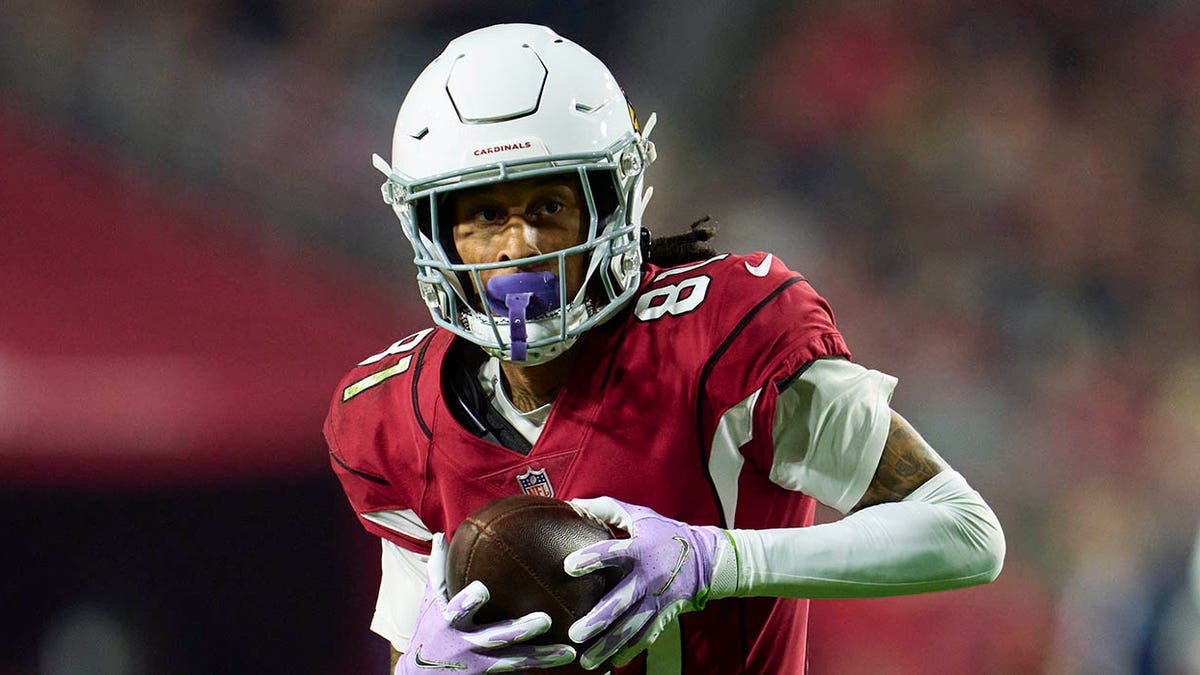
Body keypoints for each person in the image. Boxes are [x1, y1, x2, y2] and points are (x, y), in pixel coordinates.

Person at [325, 23, 1005, 674]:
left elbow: (965, 533)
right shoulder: (391, 416)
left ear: (610, 201)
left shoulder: (724, 335)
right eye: (484, 214)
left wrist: (715, 560)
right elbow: (422, 635)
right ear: (432, 232)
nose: (517, 247)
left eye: (547, 208)